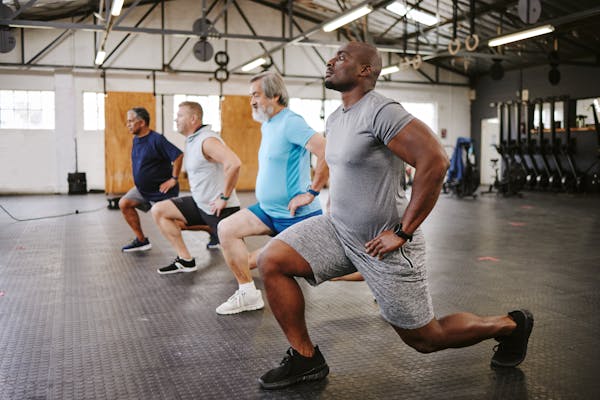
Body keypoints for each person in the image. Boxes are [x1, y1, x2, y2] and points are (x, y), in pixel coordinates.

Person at [256, 42, 534, 390]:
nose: (330, 61)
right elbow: (344, 168)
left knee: (426, 339)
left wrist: (402, 232)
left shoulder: (382, 111)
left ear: (366, 70)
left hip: (383, 244)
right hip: (339, 230)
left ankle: (510, 325)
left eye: (341, 57)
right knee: (271, 261)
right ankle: (305, 358)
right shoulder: (338, 117)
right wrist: (327, 201)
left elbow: (435, 160)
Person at [215, 71, 328, 315]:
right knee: (227, 229)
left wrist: (311, 192)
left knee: (331, 270)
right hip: (267, 211)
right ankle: (248, 294)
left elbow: (326, 151)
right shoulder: (268, 124)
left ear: (275, 95)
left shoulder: (291, 122)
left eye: (256, 95)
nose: (252, 101)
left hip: (296, 215)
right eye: (250, 96)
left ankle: (375, 274)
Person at [151, 101, 242, 274]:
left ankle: (279, 259)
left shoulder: (207, 140)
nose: (175, 119)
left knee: (245, 262)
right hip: (200, 205)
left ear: (193, 118)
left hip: (220, 210)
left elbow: (234, 163)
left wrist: (224, 197)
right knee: (159, 210)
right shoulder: (192, 139)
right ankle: (185, 260)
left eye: (179, 116)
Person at [119, 107, 183, 252]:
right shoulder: (136, 139)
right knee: (124, 203)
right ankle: (141, 240)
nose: (128, 124)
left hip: (161, 191)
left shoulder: (157, 139)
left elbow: (178, 155)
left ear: (141, 123)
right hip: (143, 190)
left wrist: (173, 179)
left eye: (130, 121)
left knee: (180, 224)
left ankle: (211, 230)